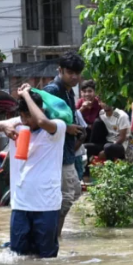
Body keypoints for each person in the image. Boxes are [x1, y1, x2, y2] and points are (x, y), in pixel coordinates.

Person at [0, 87, 66, 258]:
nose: (26, 121)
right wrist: (4, 125)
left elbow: (41, 122)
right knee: (19, 256)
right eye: (23, 116)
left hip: (46, 204)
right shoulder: (16, 125)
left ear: (40, 110)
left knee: (47, 257)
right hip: (21, 203)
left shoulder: (57, 128)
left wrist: (25, 94)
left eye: (29, 116)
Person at [43, 52, 85, 240]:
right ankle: (52, 238)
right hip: (55, 153)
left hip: (67, 151)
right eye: (70, 72)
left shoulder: (69, 91)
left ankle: (53, 235)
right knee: (66, 197)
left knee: (73, 192)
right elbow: (40, 120)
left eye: (77, 73)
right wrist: (65, 128)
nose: (74, 77)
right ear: (60, 70)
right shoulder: (52, 90)